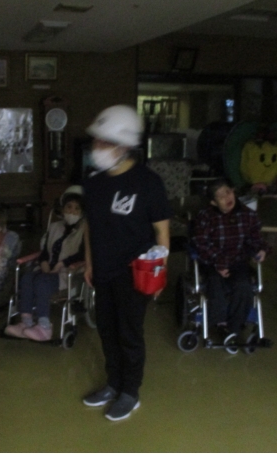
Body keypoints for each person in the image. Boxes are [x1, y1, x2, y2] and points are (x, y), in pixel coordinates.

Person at [82, 105, 172, 422]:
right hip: (103, 270)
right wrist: (89, 264)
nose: (97, 147)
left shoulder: (148, 183)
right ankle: (113, 384)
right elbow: (89, 227)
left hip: (136, 273)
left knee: (129, 334)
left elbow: (162, 232)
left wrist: (159, 273)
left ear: (124, 145)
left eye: (104, 142)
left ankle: (130, 392)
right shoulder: (93, 183)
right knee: (107, 331)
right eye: (96, 141)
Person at [192, 178, 269, 345]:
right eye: (220, 196)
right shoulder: (206, 217)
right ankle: (219, 324)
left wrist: (262, 249)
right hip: (212, 263)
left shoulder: (248, 214)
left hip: (238, 261)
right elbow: (201, 243)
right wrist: (219, 262)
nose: (227, 197)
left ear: (233, 191)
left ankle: (234, 328)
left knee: (244, 286)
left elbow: (256, 239)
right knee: (215, 285)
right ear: (213, 202)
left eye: (228, 192)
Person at [4, 186, 86, 342]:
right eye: (69, 207)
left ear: (82, 212)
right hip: (47, 270)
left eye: (77, 208)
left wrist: (62, 263)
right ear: (62, 209)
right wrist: (43, 262)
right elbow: (45, 250)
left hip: (68, 273)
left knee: (42, 282)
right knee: (27, 278)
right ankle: (26, 322)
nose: (72, 211)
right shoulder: (55, 227)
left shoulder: (85, 229)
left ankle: (44, 327)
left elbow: (83, 254)